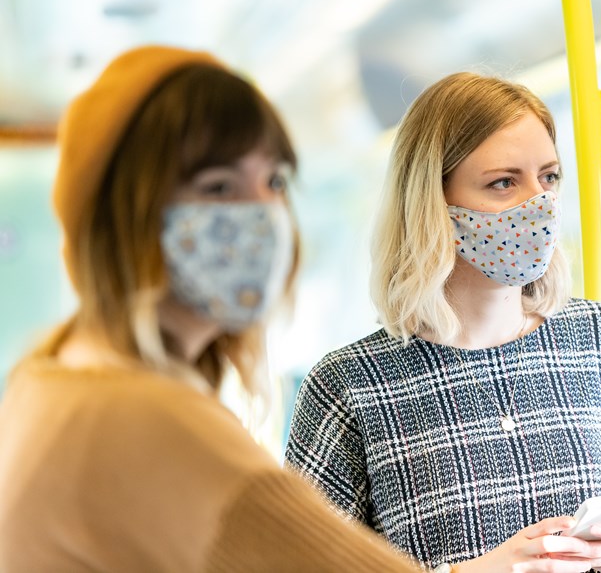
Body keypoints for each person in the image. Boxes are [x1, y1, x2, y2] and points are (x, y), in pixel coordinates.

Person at [0, 45, 420, 572]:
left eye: (274, 182)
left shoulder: (50, 371)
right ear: (126, 217)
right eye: (218, 188)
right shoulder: (146, 420)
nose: (264, 216)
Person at [285, 71, 601, 572]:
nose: (538, 203)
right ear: (433, 201)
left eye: (549, 177)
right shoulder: (349, 387)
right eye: (503, 182)